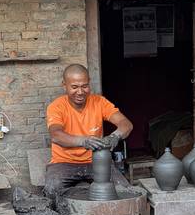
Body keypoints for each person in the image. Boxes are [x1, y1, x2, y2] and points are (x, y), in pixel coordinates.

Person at [44, 64, 133, 200]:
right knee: (52, 190)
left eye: (84, 86)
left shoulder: (100, 102)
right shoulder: (56, 107)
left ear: (89, 83)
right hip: (63, 162)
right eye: (74, 87)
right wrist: (83, 141)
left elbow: (126, 124)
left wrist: (116, 135)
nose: (80, 92)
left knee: (123, 191)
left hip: (96, 161)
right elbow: (56, 135)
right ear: (64, 86)